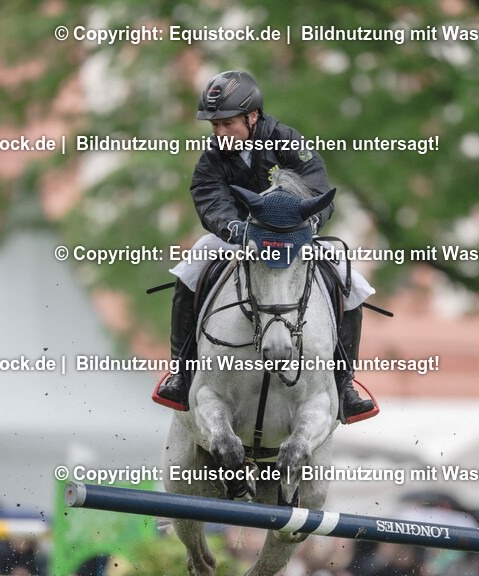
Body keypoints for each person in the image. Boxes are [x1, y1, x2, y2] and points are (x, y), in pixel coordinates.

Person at [155, 70, 377, 423]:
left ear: (252, 116)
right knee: (190, 268)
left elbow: (318, 190)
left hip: (294, 234)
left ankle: (344, 384)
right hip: (241, 236)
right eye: (215, 126)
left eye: (227, 124)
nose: (220, 134)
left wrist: (309, 225)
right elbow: (210, 200)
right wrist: (235, 229)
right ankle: (182, 374)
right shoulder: (212, 159)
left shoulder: (286, 140)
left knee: (352, 280)